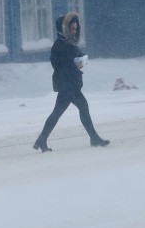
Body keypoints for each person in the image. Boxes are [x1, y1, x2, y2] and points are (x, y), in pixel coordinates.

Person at [33, 12, 110, 153]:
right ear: (65, 29)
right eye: (71, 28)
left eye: (75, 28)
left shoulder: (69, 44)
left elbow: (77, 55)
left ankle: (42, 139)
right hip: (67, 85)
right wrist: (74, 64)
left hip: (70, 84)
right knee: (81, 107)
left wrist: (82, 59)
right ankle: (94, 138)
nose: (74, 31)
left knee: (58, 112)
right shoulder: (59, 45)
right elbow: (58, 65)